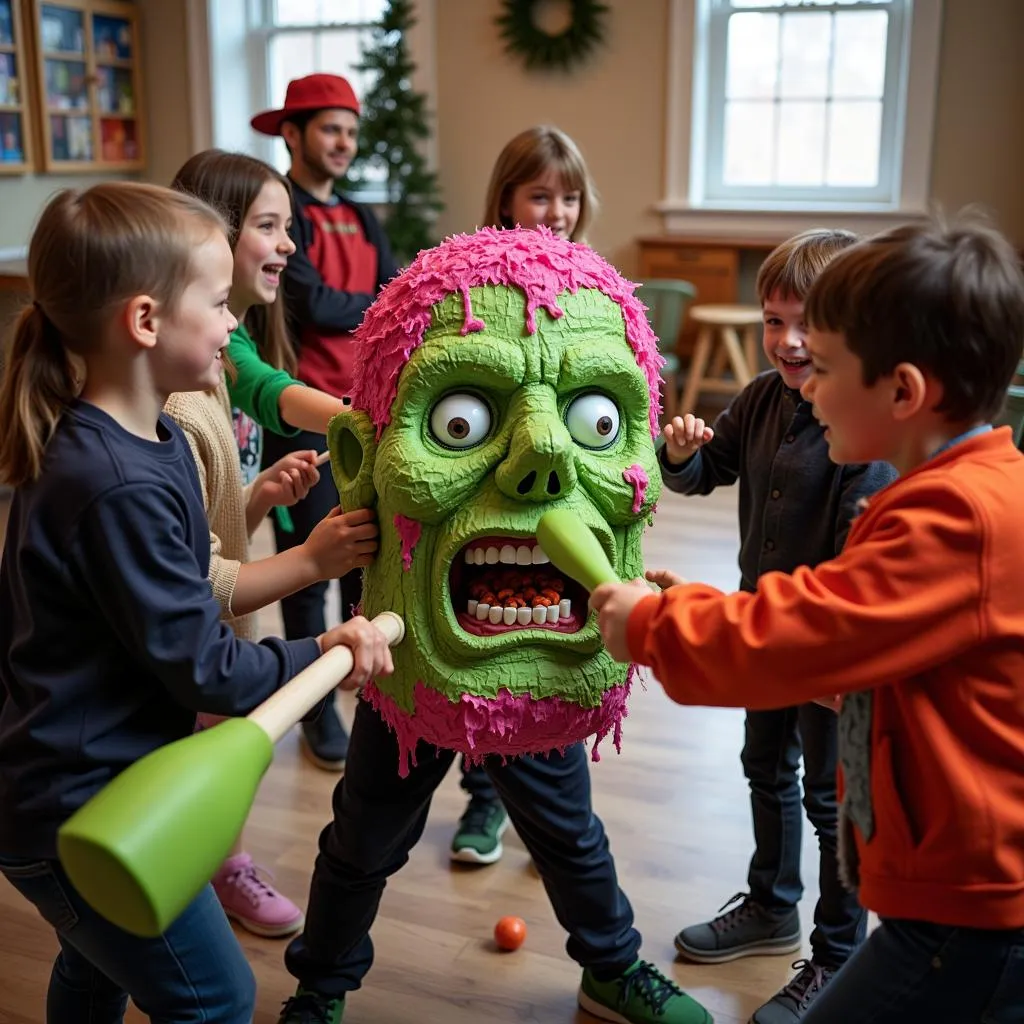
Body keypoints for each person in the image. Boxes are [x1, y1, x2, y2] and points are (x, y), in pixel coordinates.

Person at [591, 217, 1024, 1024]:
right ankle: (774, 906)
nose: (807, 385)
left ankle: (829, 943)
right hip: (963, 889)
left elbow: (804, 631)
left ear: (901, 391)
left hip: (973, 909)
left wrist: (655, 624)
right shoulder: (981, 486)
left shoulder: (950, 520)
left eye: (823, 366)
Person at [0, 182, 394, 1023]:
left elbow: (188, 593)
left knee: (95, 969)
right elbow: (205, 664)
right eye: (218, 304)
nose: (231, 326)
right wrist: (322, 651)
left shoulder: (162, 443)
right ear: (145, 322)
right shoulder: (108, 483)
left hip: (115, 780)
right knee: (217, 997)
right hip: (76, 815)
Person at [654, 229, 896, 1022]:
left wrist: (836, 662)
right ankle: (770, 906)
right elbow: (706, 472)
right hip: (765, 632)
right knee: (765, 767)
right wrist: (679, 452)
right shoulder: (761, 397)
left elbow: (863, 567)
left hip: (825, 653)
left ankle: (837, 952)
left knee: (832, 803)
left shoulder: (860, 429)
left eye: (807, 324)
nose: (788, 341)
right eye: (773, 321)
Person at [167, 149, 380, 938]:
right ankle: (209, 870)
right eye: (269, 225)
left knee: (217, 737)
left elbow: (257, 396)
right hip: (207, 603)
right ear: (214, 235)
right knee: (205, 741)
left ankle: (219, 864)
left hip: (224, 592)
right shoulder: (190, 378)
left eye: (289, 225)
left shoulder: (230, 343)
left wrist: (255, 496)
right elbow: (268, 392)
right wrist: (363, 424)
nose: (289, 244)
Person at [449, 124, 600, 866]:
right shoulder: (475, 283)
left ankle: (555, 815)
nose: (557, 211)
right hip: (490, 491)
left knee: (547, 646)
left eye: (569, 196)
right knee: (483, 651)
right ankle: (483, 798)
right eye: (540, 194)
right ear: (506, 198)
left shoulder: (592, 283)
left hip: (563, 495)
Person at [250, 73, 399, 773]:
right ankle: (312, 708)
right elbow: (309, 304)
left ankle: (360, 683)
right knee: (308, 565)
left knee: (360, 554)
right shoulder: (288, 216)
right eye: (329, 129)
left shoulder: (363, 215)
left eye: (350, 129)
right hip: (302, 415)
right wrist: (374, 302)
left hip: (367, 413)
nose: (343, 143)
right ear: (293, 134)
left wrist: (369, 303)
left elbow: (393, 294)